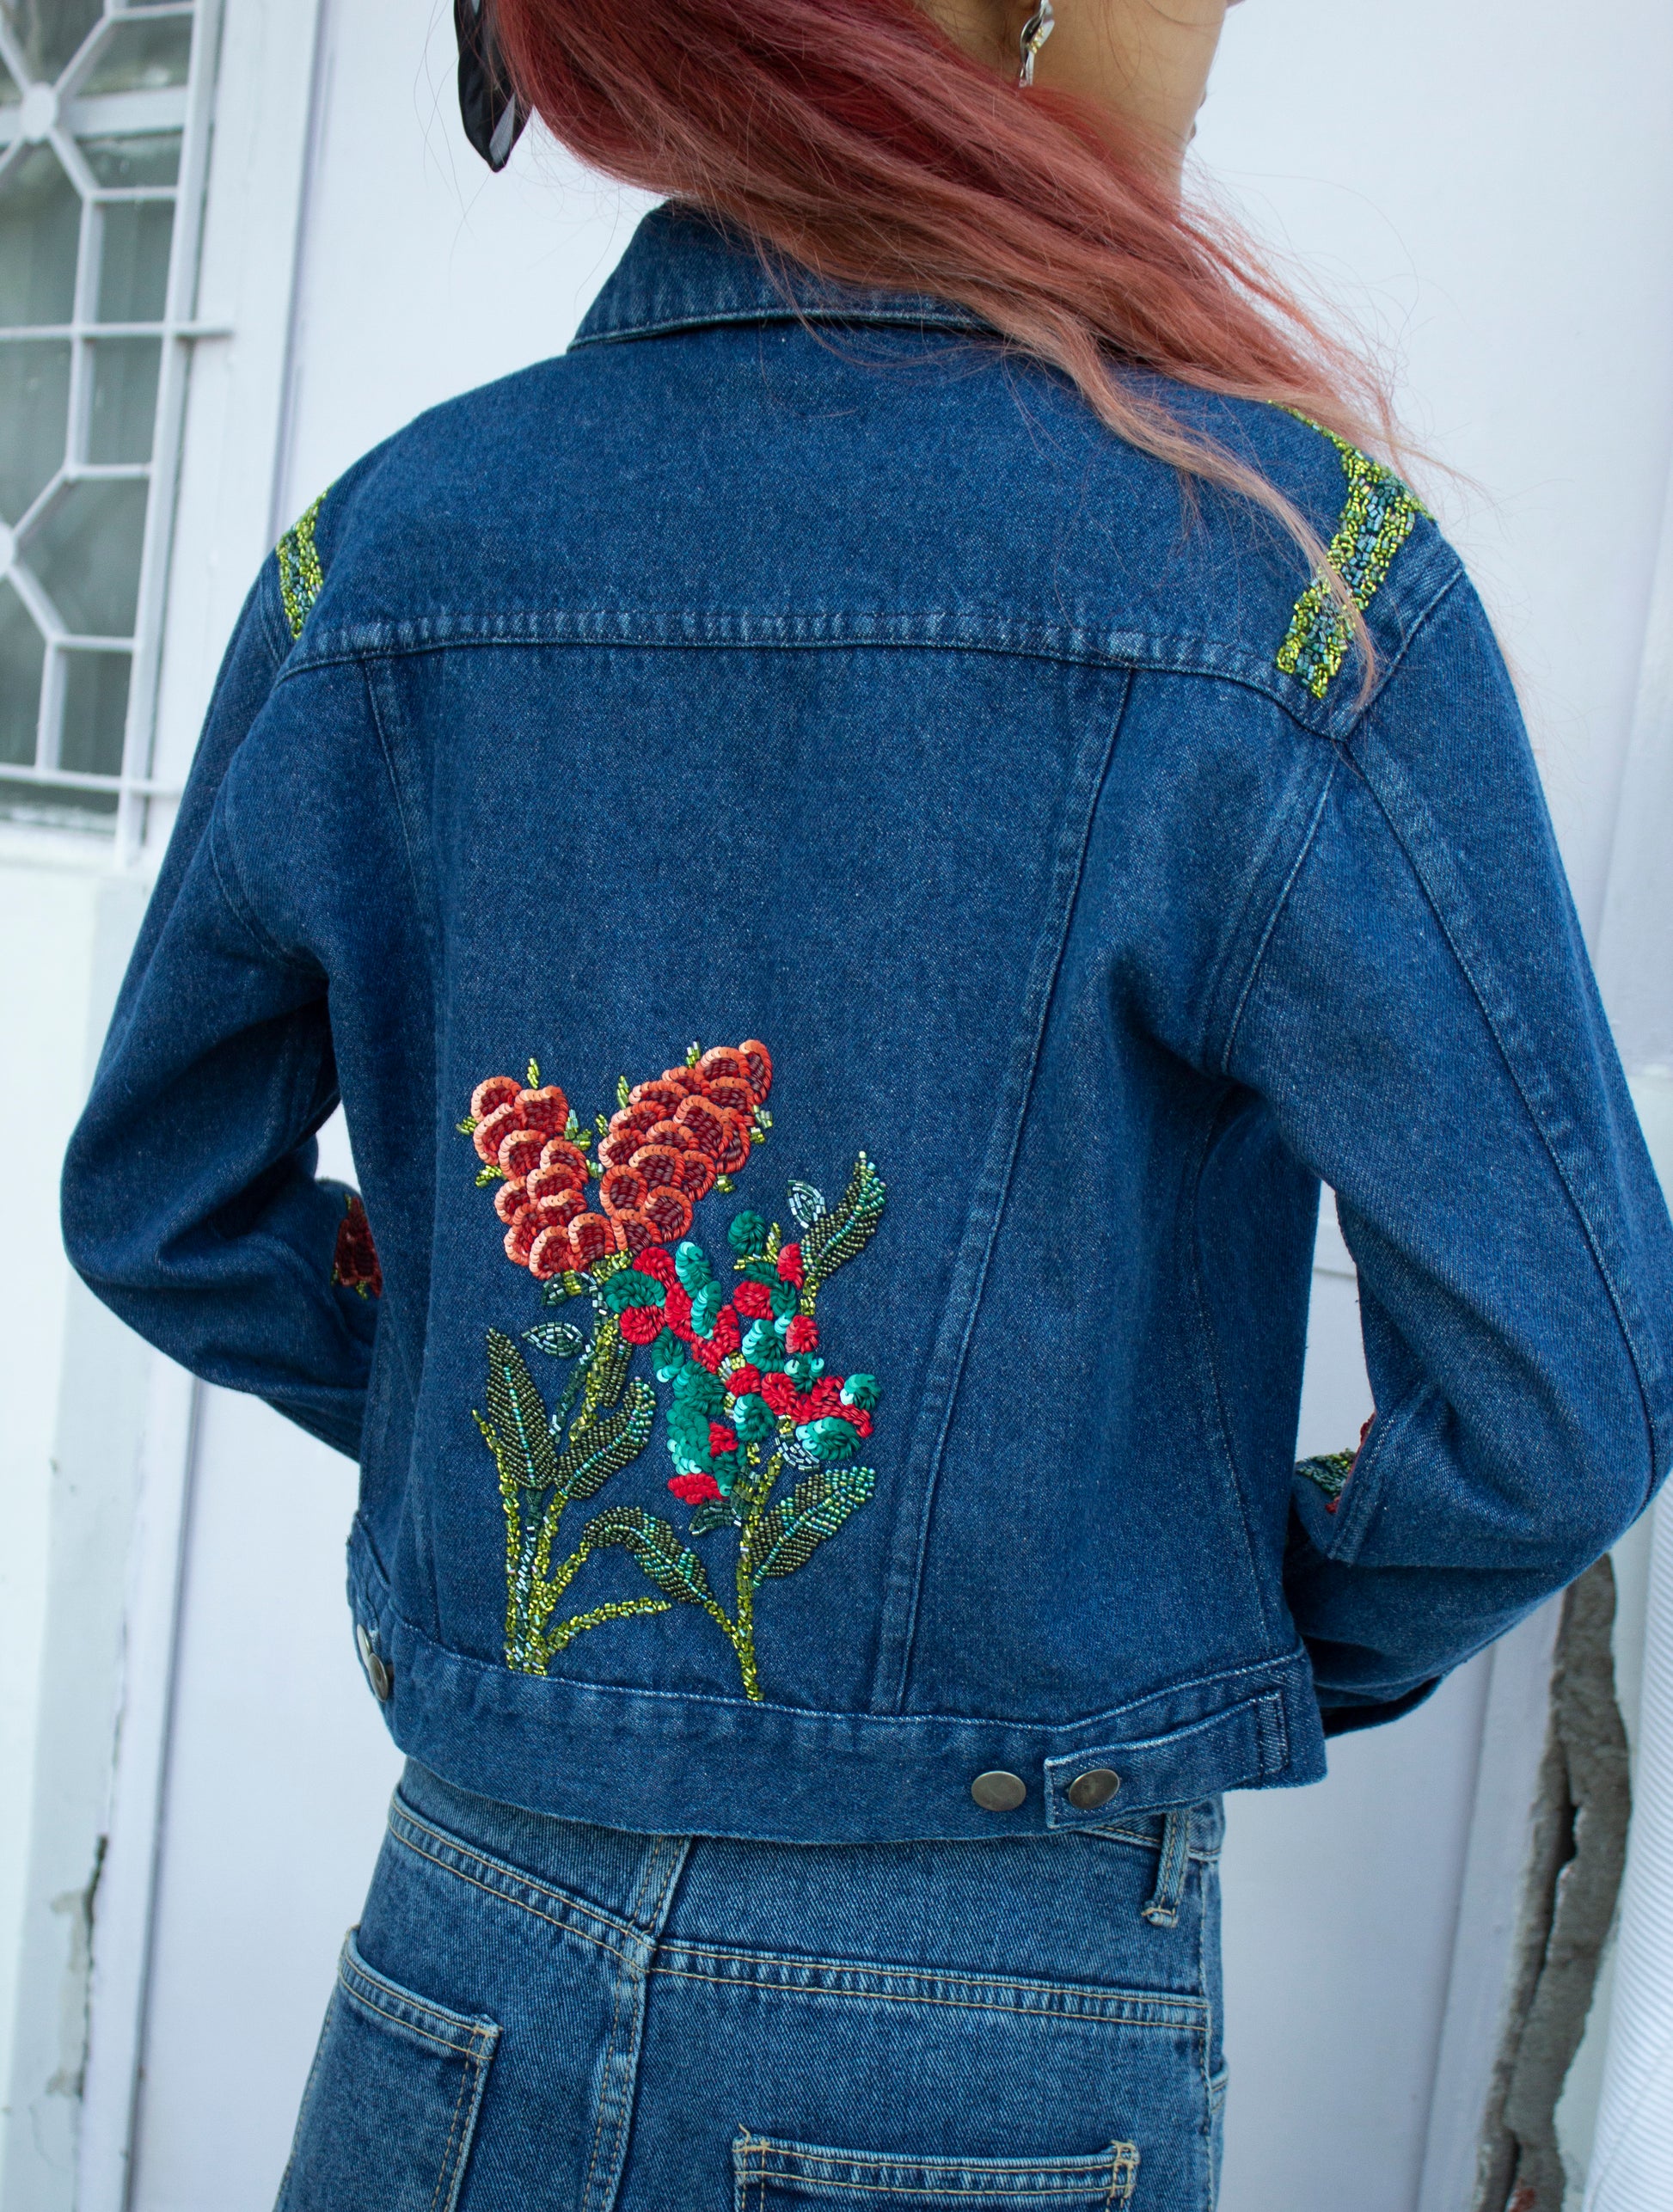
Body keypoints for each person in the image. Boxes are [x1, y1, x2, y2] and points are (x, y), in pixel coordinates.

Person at [61, 2, 1673, 2206]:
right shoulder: (1265, 576)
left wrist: (533, 1437)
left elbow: (165, 1201)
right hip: (985, 2003)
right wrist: (1161, 1619)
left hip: (465, 1935)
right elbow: (1561, 1400)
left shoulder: (397, 551)